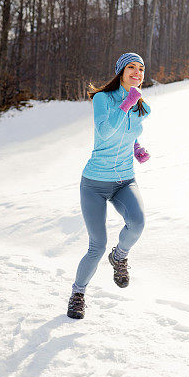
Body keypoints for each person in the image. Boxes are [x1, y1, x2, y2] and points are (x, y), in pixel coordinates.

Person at [67, 52, 152, 319]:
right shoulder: (103, 99)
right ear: (120, 71)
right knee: (97, 245)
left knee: (137, 223)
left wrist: (136, 148)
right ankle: (78, 294)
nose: (137, 72)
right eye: (131, 67)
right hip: (94, 183)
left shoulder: (142, 106)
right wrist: (126, 102)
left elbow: (128, 133)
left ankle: (120, 256)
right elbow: (104, 132)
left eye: (141, 68)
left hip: (125, 179)